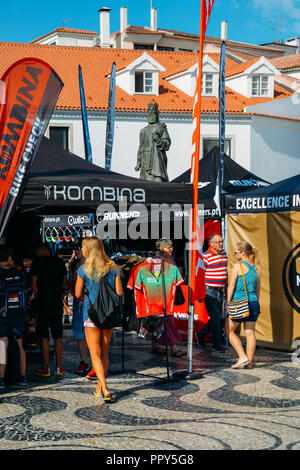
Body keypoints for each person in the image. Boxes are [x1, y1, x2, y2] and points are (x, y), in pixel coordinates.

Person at [75, 236, 123, 402]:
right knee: (104, 351)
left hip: (91, 315)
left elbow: (76, 293)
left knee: (94, 353)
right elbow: (119, 293)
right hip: (109, 314)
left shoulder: (83, 269)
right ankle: (99, 388)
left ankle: (105, 388)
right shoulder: (113, 267)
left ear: (88, 250)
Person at [30, 243, 67, 377]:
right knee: (58, 335)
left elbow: (33, 285)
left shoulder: (37, 263)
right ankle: (59, 367)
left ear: (42, 250)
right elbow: (64, 282)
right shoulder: (59, 262)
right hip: (56, 302)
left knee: (44, 336)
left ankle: (46, 367)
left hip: (42, 303)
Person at [225, 241, 261, 369]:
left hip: (239, 303)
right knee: (250, 333)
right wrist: (254, 302)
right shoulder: (255, 267)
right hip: (254, 303)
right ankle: (249, 362)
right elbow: (258, 290)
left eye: (235, 252)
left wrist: (228, 302)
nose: (234, 254)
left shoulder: (238, 266)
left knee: (229, 330)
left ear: (243, 253)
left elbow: (231, 286)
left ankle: (242, 357)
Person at [152, 239, 186, 358]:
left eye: (171, 247)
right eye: (168, 247)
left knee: (161, 322)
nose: (171, 249)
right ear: (161, 249)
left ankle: (154, 345)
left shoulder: (170, 259)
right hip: (160, 296)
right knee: (166, 322)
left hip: (170, 294)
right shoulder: (157, 260)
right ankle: (174, 348)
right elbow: (155, 278)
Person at [0, 248, 28, 391]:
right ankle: (23, 377)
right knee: (20, 344)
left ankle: (1, 379)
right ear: (10, 258)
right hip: (18, 313)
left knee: (2, 344)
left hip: (2, 314)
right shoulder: (20, 273)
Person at [196, 233, 227, 353]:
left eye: (221, 241)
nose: (221, 244)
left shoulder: (224, 253)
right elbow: (200, 275)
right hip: (209, 291)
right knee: (216, 317)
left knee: (218, 318)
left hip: (220, 291)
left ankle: (201, 334)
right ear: (211, 244)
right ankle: (216, 344)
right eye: (218, 242)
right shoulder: (206, 256)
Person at [135, 102, 171, 182]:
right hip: (145, 163)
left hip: (157, 164)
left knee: (158, 182)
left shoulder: (161, 128)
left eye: (153, 112)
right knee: (145, 183)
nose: (151, 114)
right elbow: (140, 148)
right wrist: (138, 163)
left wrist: (158, 140)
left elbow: (167, 143)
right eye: (149, 112)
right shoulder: (143, 131)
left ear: (157, 113)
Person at [68, 238, 89, 375]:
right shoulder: (73, 264)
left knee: (92, 333)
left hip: (89, 302)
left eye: (79, 248)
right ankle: (84, 361)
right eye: (75, 248)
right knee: (79, 334)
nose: (77, 251)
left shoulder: (92, 265)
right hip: (77, 303)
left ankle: (94, 362)